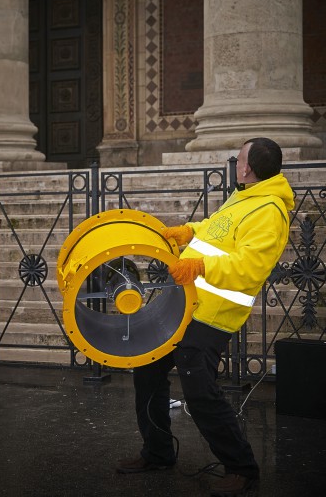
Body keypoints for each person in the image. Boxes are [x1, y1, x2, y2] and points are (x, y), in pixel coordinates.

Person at [116, 138, 294, 497]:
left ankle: (242, 469)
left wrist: (200, 265)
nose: (236, 163)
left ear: (247, 168)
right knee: (148, 368)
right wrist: (191, 231)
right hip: (189, 305)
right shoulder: (245, 195)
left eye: (240, 158)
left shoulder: (269, 210)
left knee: (199, 391)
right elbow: (218, 229)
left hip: (215, 314)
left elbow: (249, 267)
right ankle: (158, 453)